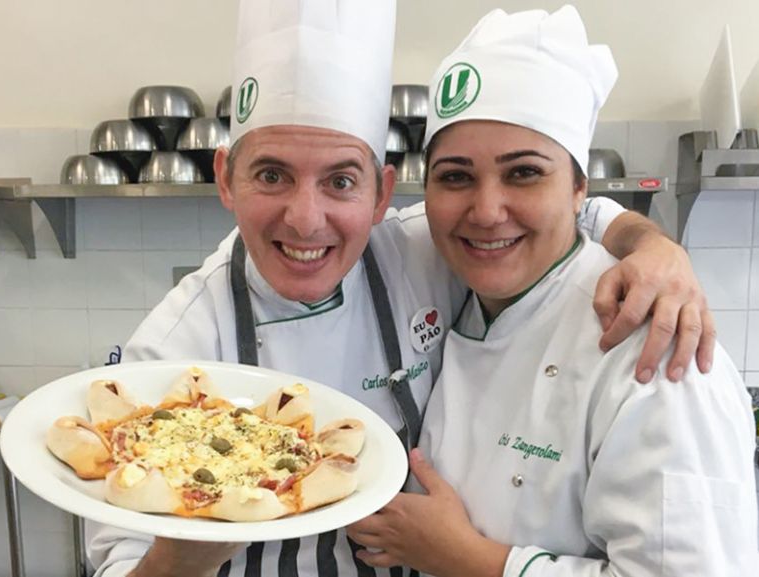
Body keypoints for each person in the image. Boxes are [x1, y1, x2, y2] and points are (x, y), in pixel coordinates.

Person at [87, 2, 718, 577]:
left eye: (340, 181)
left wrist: (650, 244)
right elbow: (117, 562)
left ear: (382, 193)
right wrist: (181, 554)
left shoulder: (427, 250)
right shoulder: (166, 359)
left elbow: (559, 216)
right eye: (272, 174)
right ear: (226, 179)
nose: (306, 221)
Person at [346, 6, 759, 577]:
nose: (486, 212)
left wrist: (469, 560)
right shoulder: (468, 299)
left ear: (578, 188)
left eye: (524, 173)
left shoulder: (659, 350)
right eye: (456, 176)